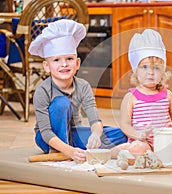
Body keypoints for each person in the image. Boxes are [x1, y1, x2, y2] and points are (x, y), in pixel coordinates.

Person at [29, 19, 127, 163]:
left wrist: (95, 133)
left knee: (120, 134)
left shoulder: (83, 86)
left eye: (69, 59)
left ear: (77, 63)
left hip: (73, 133)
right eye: (56, 60)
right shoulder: (43, 91)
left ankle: (77, 147)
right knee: (62, 103)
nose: (64, 64)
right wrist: (69, 152)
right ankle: (62, 150)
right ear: (46, 66)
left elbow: (94, 119)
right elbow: (45, 132)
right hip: (48, 139)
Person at [111, 29, 172, 158]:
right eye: (145, 67)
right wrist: (138, 134)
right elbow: (125, 124)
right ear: (136, 70)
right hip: (142, 142)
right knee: (139, 149)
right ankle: (120, 151)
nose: (151, 72)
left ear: (163, 71)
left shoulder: (167, 94)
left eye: (156, 68)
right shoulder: (131, 97)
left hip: (165, 142)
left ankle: (145, 154)